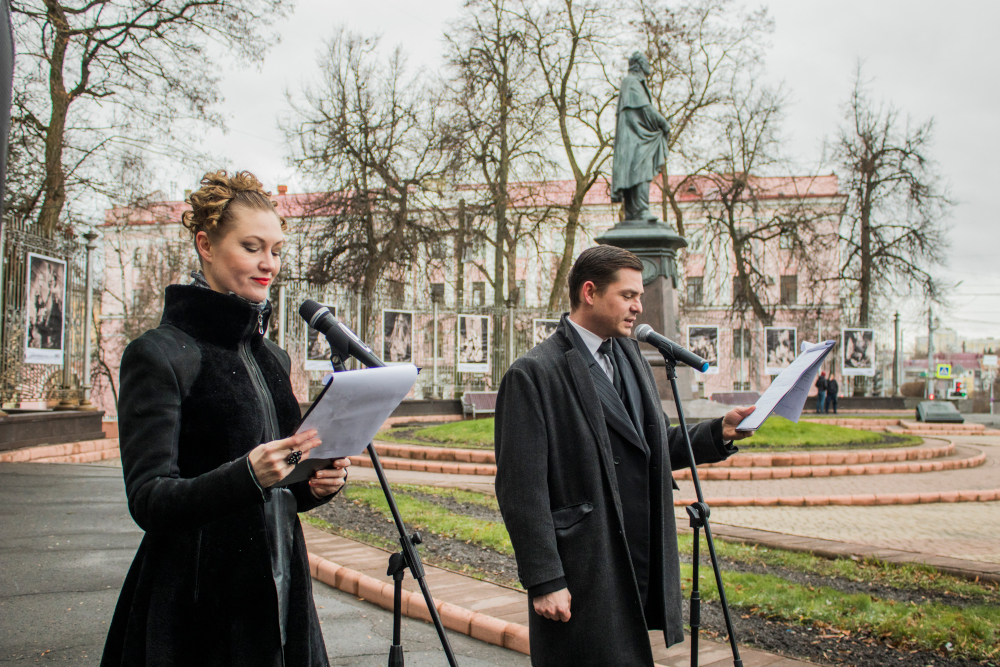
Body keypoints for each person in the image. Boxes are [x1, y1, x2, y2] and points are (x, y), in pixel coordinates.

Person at [101, 171, 350, 667]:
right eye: (253, 247)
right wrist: (247, 474)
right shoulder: (159, 354)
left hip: (281, 593)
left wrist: (313, 486)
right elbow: (149, 499)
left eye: (277, 250)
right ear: (205, 245)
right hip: (196, 607)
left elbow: (279, 485)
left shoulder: (273, 358)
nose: (269, 264)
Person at [494, 245, 756, 666]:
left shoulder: (630, 355)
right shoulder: (535, 372)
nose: (638, 307)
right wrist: (545, 578)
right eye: (629, 295)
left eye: (641, 297)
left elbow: (646, 447)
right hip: (585, 561)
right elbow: (519, 488)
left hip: (635, 551)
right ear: (590, 292)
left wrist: (717, 432)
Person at [610, 52, 671, 222]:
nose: (648, 65)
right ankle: (640, 210)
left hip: (636, 136)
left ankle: (635, 212)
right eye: (645, 61)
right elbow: (645, 109)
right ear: (638, 63)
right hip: (635, 139)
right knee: (640, 169)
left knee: (636, 171)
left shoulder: (633, 83)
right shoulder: (632, 82)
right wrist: (663, 122)